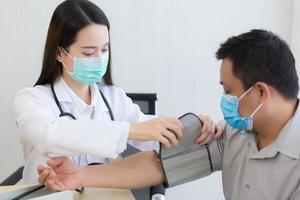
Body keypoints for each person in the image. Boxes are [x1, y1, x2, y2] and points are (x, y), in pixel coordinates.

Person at [38, 29, 300, 200]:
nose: (225, 102)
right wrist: (81, 175)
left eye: (229, 91)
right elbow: (160, 165)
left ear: (261, 93)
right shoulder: (235, 134)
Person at [14, 0, 220, 183]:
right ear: (60, 52)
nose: (99, 58)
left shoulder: (115, 98)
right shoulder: (31, 99)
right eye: (88, 52)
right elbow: (48, 135)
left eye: (104, 50)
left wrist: (196, 128)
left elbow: (157, 139)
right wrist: (130, 130)